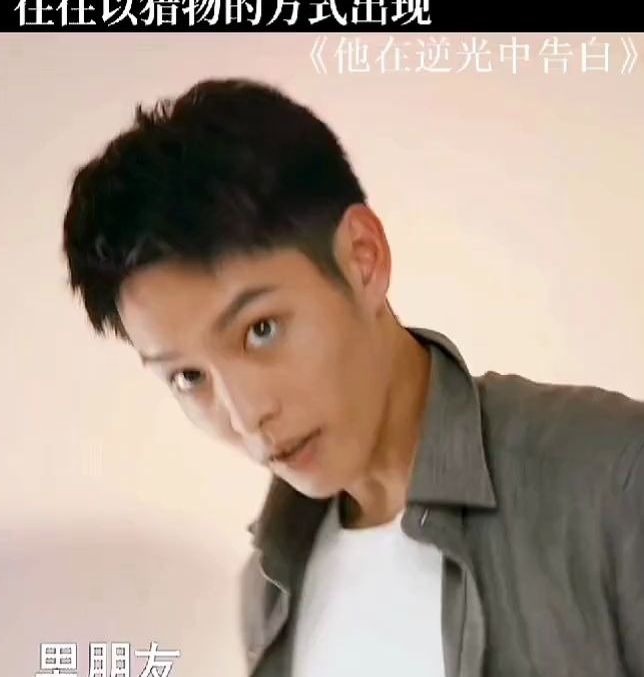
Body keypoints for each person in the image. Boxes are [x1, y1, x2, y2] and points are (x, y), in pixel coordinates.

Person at [58, 77, 644, 677]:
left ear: (363, 259)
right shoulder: (268, 589)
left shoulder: (613, 480)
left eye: (261, 330)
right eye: (188, 377)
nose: (246, 414)